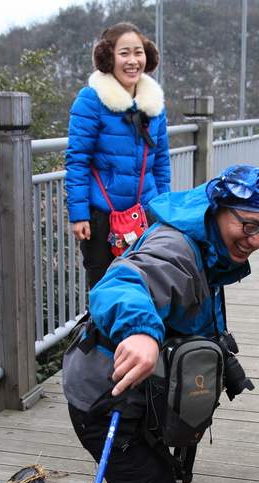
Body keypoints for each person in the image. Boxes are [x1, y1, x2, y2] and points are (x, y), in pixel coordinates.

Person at [0, 165, 259, 483]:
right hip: (106, 400)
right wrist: (141, 332)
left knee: (156, 481)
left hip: (138, 393)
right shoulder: (177, 250)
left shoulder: (209, 249)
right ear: (217, 209)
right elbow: (119, 285)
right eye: (250, 226)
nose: (257, 240)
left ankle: (124, 475)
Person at [65, 22, 171, 289]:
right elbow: (78, 160)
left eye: (139, 52)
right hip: (102, 218)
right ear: (108, 57)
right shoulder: (91, 100)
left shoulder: (154, 105)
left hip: (145, 214)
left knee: (145, 289)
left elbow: (161, 163)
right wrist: (79, 215)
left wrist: (163, 208)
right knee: (103, 291)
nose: (133, 60)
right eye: (124, 53)